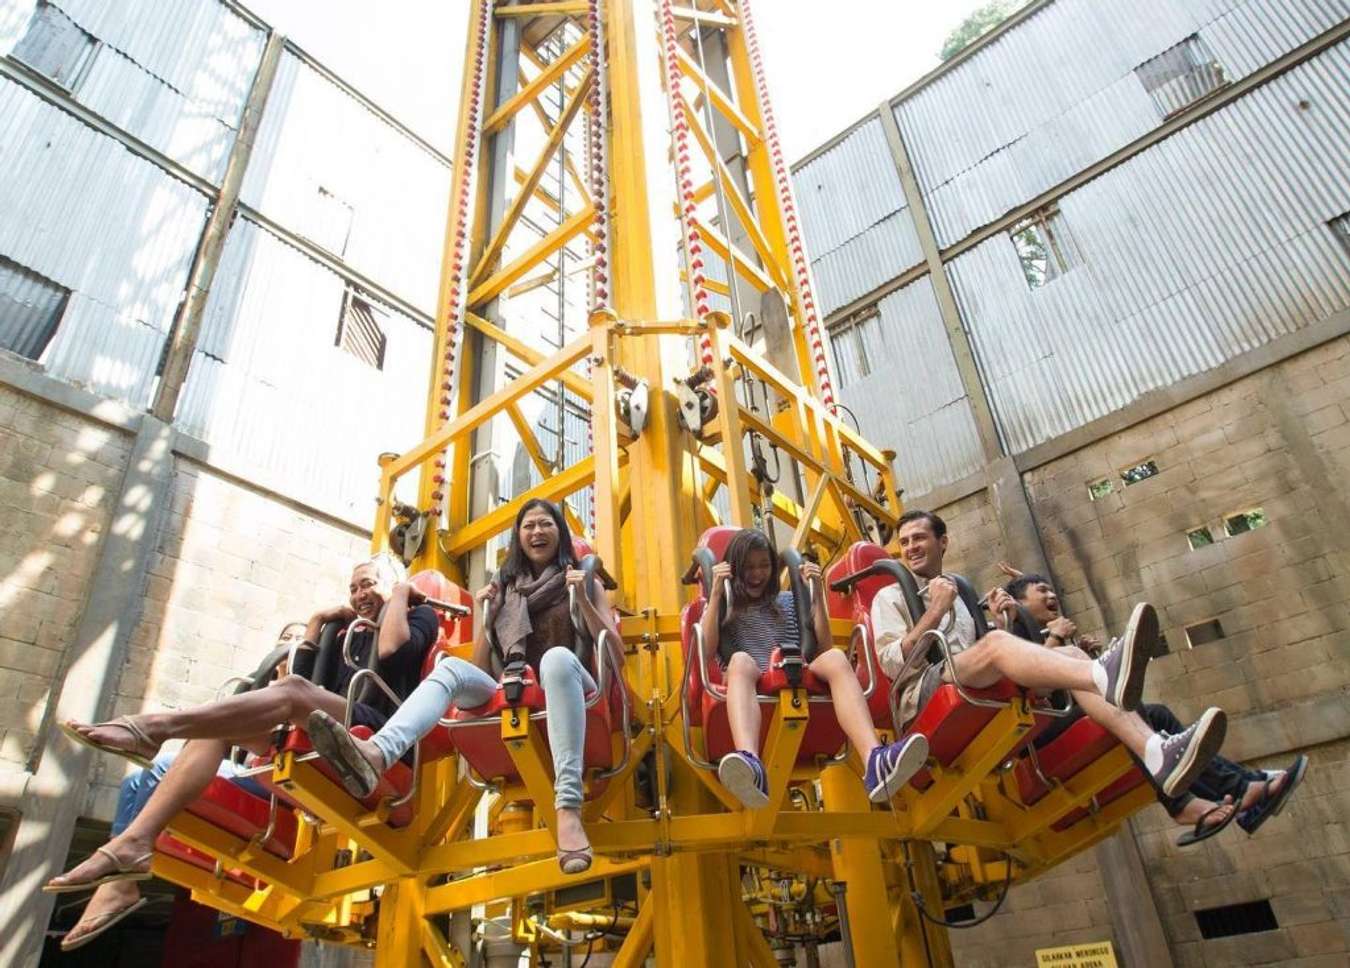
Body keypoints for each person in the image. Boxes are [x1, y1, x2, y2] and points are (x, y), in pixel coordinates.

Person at [46, 555, 437, 895]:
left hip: (381, 733)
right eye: (352, 588)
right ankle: (133, 845)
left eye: (368, 584)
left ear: (392, 582)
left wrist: (402, 593)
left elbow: (393, 652)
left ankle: (153, 728)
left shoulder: (420, 614)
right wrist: (318, 621)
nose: (358, 595)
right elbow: (305, 680)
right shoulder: (346, 636)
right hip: (330, 730)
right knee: (219, 727)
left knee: (292, 693)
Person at [306, 500, 621, 875]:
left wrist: (583, 600)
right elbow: (480, 665)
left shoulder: (583, 580)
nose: (537, 532)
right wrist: (489, 614)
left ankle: (567, 808)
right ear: (519, 538)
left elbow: (614, 651)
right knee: (452, 670)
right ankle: (378, 752)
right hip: (518, 685)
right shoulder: (506, 591)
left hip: (575, 684)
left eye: (545, 524)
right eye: (528, 526)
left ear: (560, 533)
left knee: (554, 658)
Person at [871, 510, 1226, 800]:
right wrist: (934, 612)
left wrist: (1001, 622)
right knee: (1001, 647)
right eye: (904, 542)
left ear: (942, 542)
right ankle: (1104, 675)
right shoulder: (891, 596)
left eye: (919, 538)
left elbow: (983, 651)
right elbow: (892, 663)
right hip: (922, 691)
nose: (911, 547)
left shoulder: (960, 591)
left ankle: (1154, 752)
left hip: (967, 674)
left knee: (1070, 652)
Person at [47, 621, 308, 951]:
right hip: (249, 771)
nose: (290, 646)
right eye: (285, 640)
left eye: (299, 640)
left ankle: (124, 865)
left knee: (160, 769)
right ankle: (121, 882)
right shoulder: (255, 687)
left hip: (281, 779)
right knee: (132, 782)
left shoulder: (302, 687)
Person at [999, 572, 1308, 845]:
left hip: (1063, 717)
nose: (1051, 596)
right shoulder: (1014, 631)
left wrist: (1082, 655)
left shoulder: (1041, 633)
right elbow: (1025, 685)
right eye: (1041, 590)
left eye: (1051, 590)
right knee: (1141, 715)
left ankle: (1245, 790)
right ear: (1020, 601)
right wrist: (1056, 639)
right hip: (1035, 732)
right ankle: (1206, 798)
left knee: (1153, 715)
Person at [701, 529, 929, 809]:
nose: (757, 574)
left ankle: (875, 760)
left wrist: (817, 594)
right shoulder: (726, 605)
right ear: (735, 569)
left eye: (764, 566)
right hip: (753, 678)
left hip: (797, 670)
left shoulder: (786, 601)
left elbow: (823, 644)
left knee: (834, 657)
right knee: (739, 661)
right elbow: (708, 650)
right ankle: (750, 763)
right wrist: (714, 593)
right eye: (749, 567)